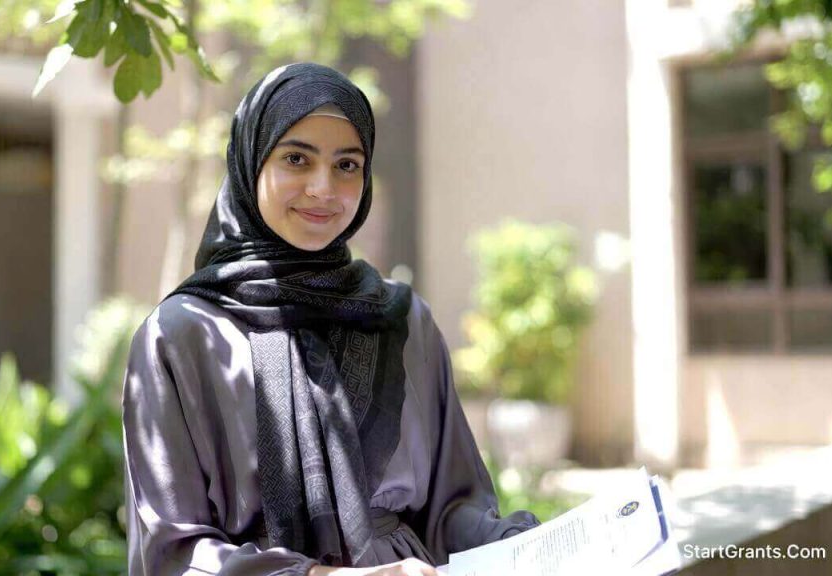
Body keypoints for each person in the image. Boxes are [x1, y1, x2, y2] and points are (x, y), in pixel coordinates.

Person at [122, 62, 539, 576]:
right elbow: (172, 551)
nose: (324, 188)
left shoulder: (404, 321)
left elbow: (453, 510)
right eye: (297, 159)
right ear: (251, 163)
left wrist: (533, 545)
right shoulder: (181, 335)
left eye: (347, 165)